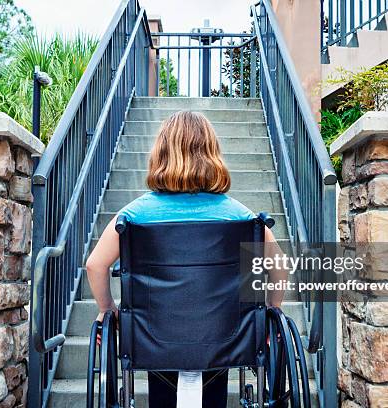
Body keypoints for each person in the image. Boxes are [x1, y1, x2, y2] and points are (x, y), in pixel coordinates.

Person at [85, 111, 285, 408]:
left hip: (154, 338)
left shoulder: (132, 216)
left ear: (161, 153)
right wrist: (269, 311)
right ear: (212, 153)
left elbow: (95, 265)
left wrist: (107, 310)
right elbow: (278, 266)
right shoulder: (242, 216)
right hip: (225, 337)